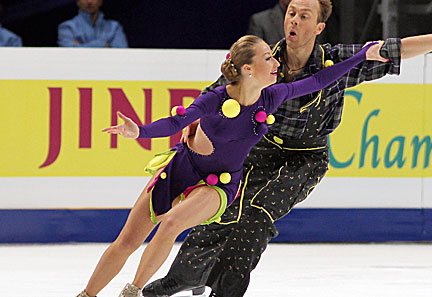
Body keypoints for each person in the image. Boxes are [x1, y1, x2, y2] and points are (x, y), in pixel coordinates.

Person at [142, 1, 432, 297]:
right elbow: (217, 94)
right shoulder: (264, 62)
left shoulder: (337, 63)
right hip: (257, 151)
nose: (294, 20)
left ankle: (226, 290)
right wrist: (192, 124)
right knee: (220, 206)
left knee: (255, 212)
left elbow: (399, 48)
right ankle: (185, 276)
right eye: (291, 13)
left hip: (303, 160)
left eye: (304, 15)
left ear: (318, 27)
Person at [75, 34, 380, 297]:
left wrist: (362, 56)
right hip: (181, 168)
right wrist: (138, 132)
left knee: (170, 224)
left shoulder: (272, 97)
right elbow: (176, 121)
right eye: (267, 58)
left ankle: (133, 290)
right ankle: (86, 294)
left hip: (218, 184)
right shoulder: (214, 99)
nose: (276, 62)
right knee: (127, 240)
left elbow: (318, 80)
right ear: (248, 69)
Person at [58, 0, 128, 48]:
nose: (89, 1)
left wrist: (81, 46)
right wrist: (103, 45)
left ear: (100, 1)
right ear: (77, 2)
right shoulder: (67, 27)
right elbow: (69, 54)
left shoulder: (114, 27)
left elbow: (121, 52)